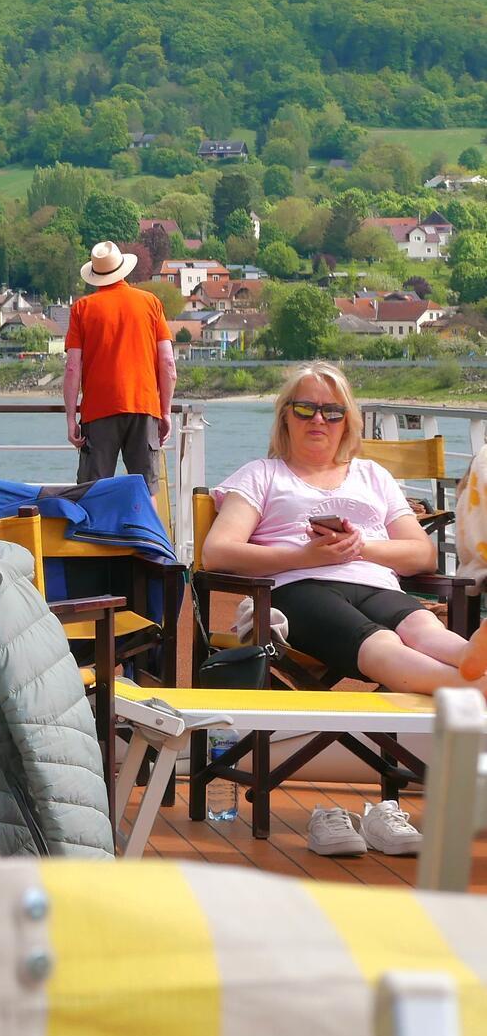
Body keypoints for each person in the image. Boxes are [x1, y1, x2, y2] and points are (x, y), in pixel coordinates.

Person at [202, 363, 473, 856]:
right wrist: (305, 556)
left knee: (430, 633)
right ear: (285, 417)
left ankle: (473, 667)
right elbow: (218, 552)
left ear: (348, 420)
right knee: (384, 644)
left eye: (331, 411)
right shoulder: (262, 475)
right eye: (304, 408)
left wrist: (359, 547)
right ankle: (470, 689)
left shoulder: (372, 475)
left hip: (373, 580)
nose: (318, 420)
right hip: (297, 588)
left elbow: (421, 554)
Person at [63, 241, 175, 488]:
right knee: (146, 492)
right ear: (123, 269)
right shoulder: (151, 303)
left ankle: (98, 529)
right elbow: (168, 363)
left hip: (98, 410)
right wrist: (164, 411)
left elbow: (72, 367)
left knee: (92, 492)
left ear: (95, 275)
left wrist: (71, 418)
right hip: (144, 406)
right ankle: (146, 528)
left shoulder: (82, 308)